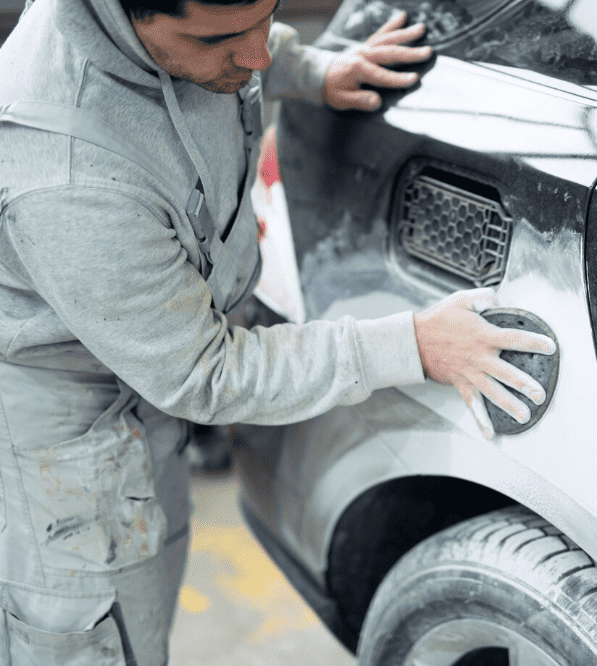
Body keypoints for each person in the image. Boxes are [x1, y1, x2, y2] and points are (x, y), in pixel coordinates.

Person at [0, 0, 555, 662]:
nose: (257, 55)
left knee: (152, 582)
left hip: (147, 389)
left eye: (265, 17)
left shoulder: (195, 34)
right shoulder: (66, 176)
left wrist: (314, 69)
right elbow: (203, 374)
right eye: (223, 39)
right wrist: (410, 345)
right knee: (106, 638)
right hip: (74, 441)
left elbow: (247, 47)